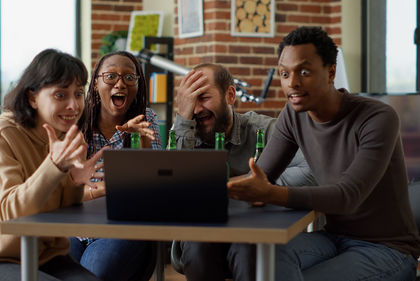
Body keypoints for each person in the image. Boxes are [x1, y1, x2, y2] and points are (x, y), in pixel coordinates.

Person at [227, 26, 420, 280]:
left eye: (304, 72)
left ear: (331, 72)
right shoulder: (293, 116)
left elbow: (347, 197)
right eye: (285, 73)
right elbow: (261, 178)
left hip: (388, 249)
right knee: (259, 257)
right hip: (334, 237)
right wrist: (204, 189)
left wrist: (269, 192)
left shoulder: (378, 118)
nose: (292, 83)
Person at [0, 49, 103, 281]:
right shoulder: (1, 134)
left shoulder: (69, 138)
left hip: (43, 256)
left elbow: (60, 212)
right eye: (60, 95)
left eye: (79, 94)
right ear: (32, 97)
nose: (74, 105)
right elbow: (13, 214)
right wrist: (54, 165)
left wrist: (74, 184)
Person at [173, 63, 317, 280]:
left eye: (203, 97)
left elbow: (312, 171)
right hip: (201, 234)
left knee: (247, 247)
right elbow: (168, 189)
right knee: (197, 244)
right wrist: (182, 123)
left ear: (230, 95)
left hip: (255, 231)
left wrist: (246, 185)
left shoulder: (264, 130)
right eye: (189, 101)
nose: (196, 109)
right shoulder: (184, 131)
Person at [69, 51, 161, 281]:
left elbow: (155, 184)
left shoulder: (145, 118)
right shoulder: (76, 120)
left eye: (130, 78)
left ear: (138, 85)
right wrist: (98, 192)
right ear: (97, 83)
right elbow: (60, 188)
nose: (120, 83)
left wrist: (142, 140)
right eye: (111, 76)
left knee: (93, 274)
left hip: (121, 228)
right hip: (72, 227)